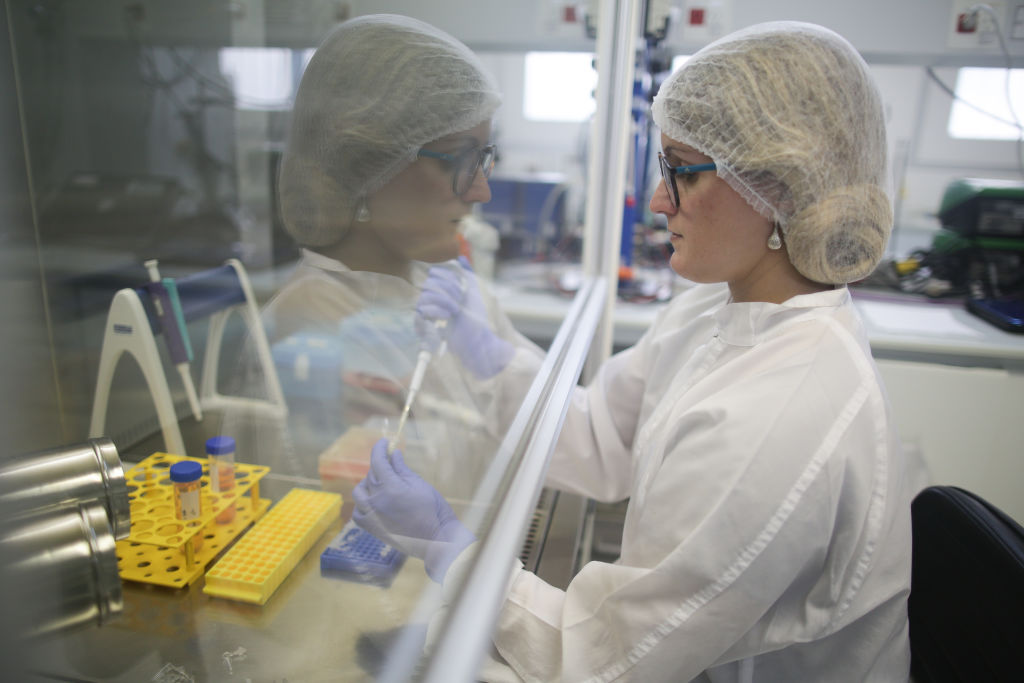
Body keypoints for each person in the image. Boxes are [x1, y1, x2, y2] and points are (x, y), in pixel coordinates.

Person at [353, 21, 924, 681]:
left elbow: (603, 659)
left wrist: (445, 544)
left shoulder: (781, 413)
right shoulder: (718, 307)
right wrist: (484, 351)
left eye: (681, 171)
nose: (657, 200)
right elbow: (603, 439)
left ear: (780, 191)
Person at [221, 14, 536, 504]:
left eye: (485, 157)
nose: (481, 189)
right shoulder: (313, 331)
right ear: (365, 166)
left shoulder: (440, 286)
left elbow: (547, 423)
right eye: (461, 158)